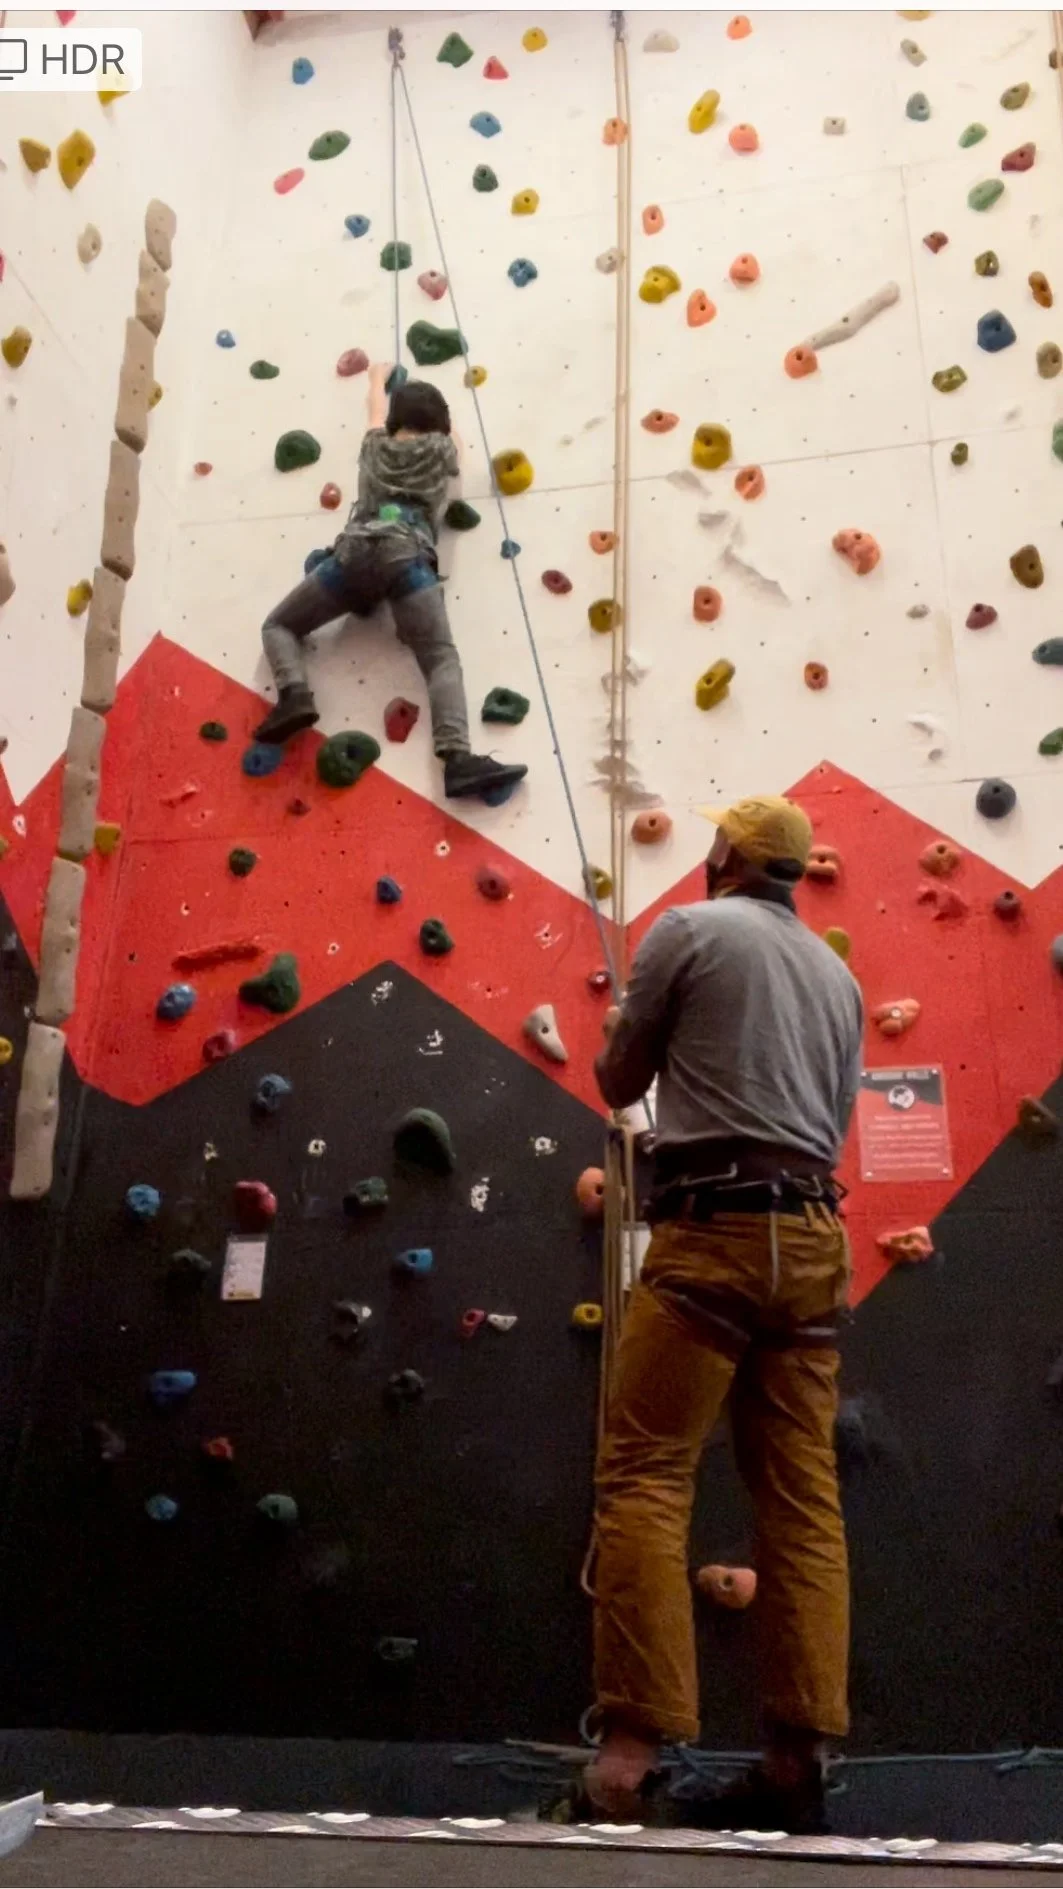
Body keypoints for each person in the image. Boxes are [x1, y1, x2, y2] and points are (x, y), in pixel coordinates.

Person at [585, 793, 863, 1833]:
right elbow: (831, 1125)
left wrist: (627, 1015)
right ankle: (798, 1759)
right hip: (812, 1237)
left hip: (713, 1231)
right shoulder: (839, 976)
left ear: (722, 856)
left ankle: (629, 1757)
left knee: (647, 1471)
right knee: (800, 1496)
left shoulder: (688, 930)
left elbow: (619, 1078)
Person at [254, 365, 528, 803]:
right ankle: (456, 759)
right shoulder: (440, 448)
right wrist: (446, 424)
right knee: (439, 658)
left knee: (278, 626)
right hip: (406, 556)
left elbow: (375, 412)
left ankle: (294, 694)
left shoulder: (373, 444)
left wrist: (376, 379)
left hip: (353, 555)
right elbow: (460, 447)